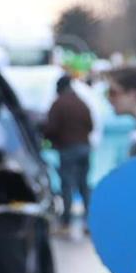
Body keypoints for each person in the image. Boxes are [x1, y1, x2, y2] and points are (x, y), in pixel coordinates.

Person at [43, 73, 96, 232]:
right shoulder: (82, 103)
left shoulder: (58, 104)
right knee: (83, 185)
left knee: (67, 185)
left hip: (67, 149)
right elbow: (91, 125)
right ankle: (90, 222)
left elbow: (50, 128)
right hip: (85, 147)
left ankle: (66, 222)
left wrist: (49, 138)